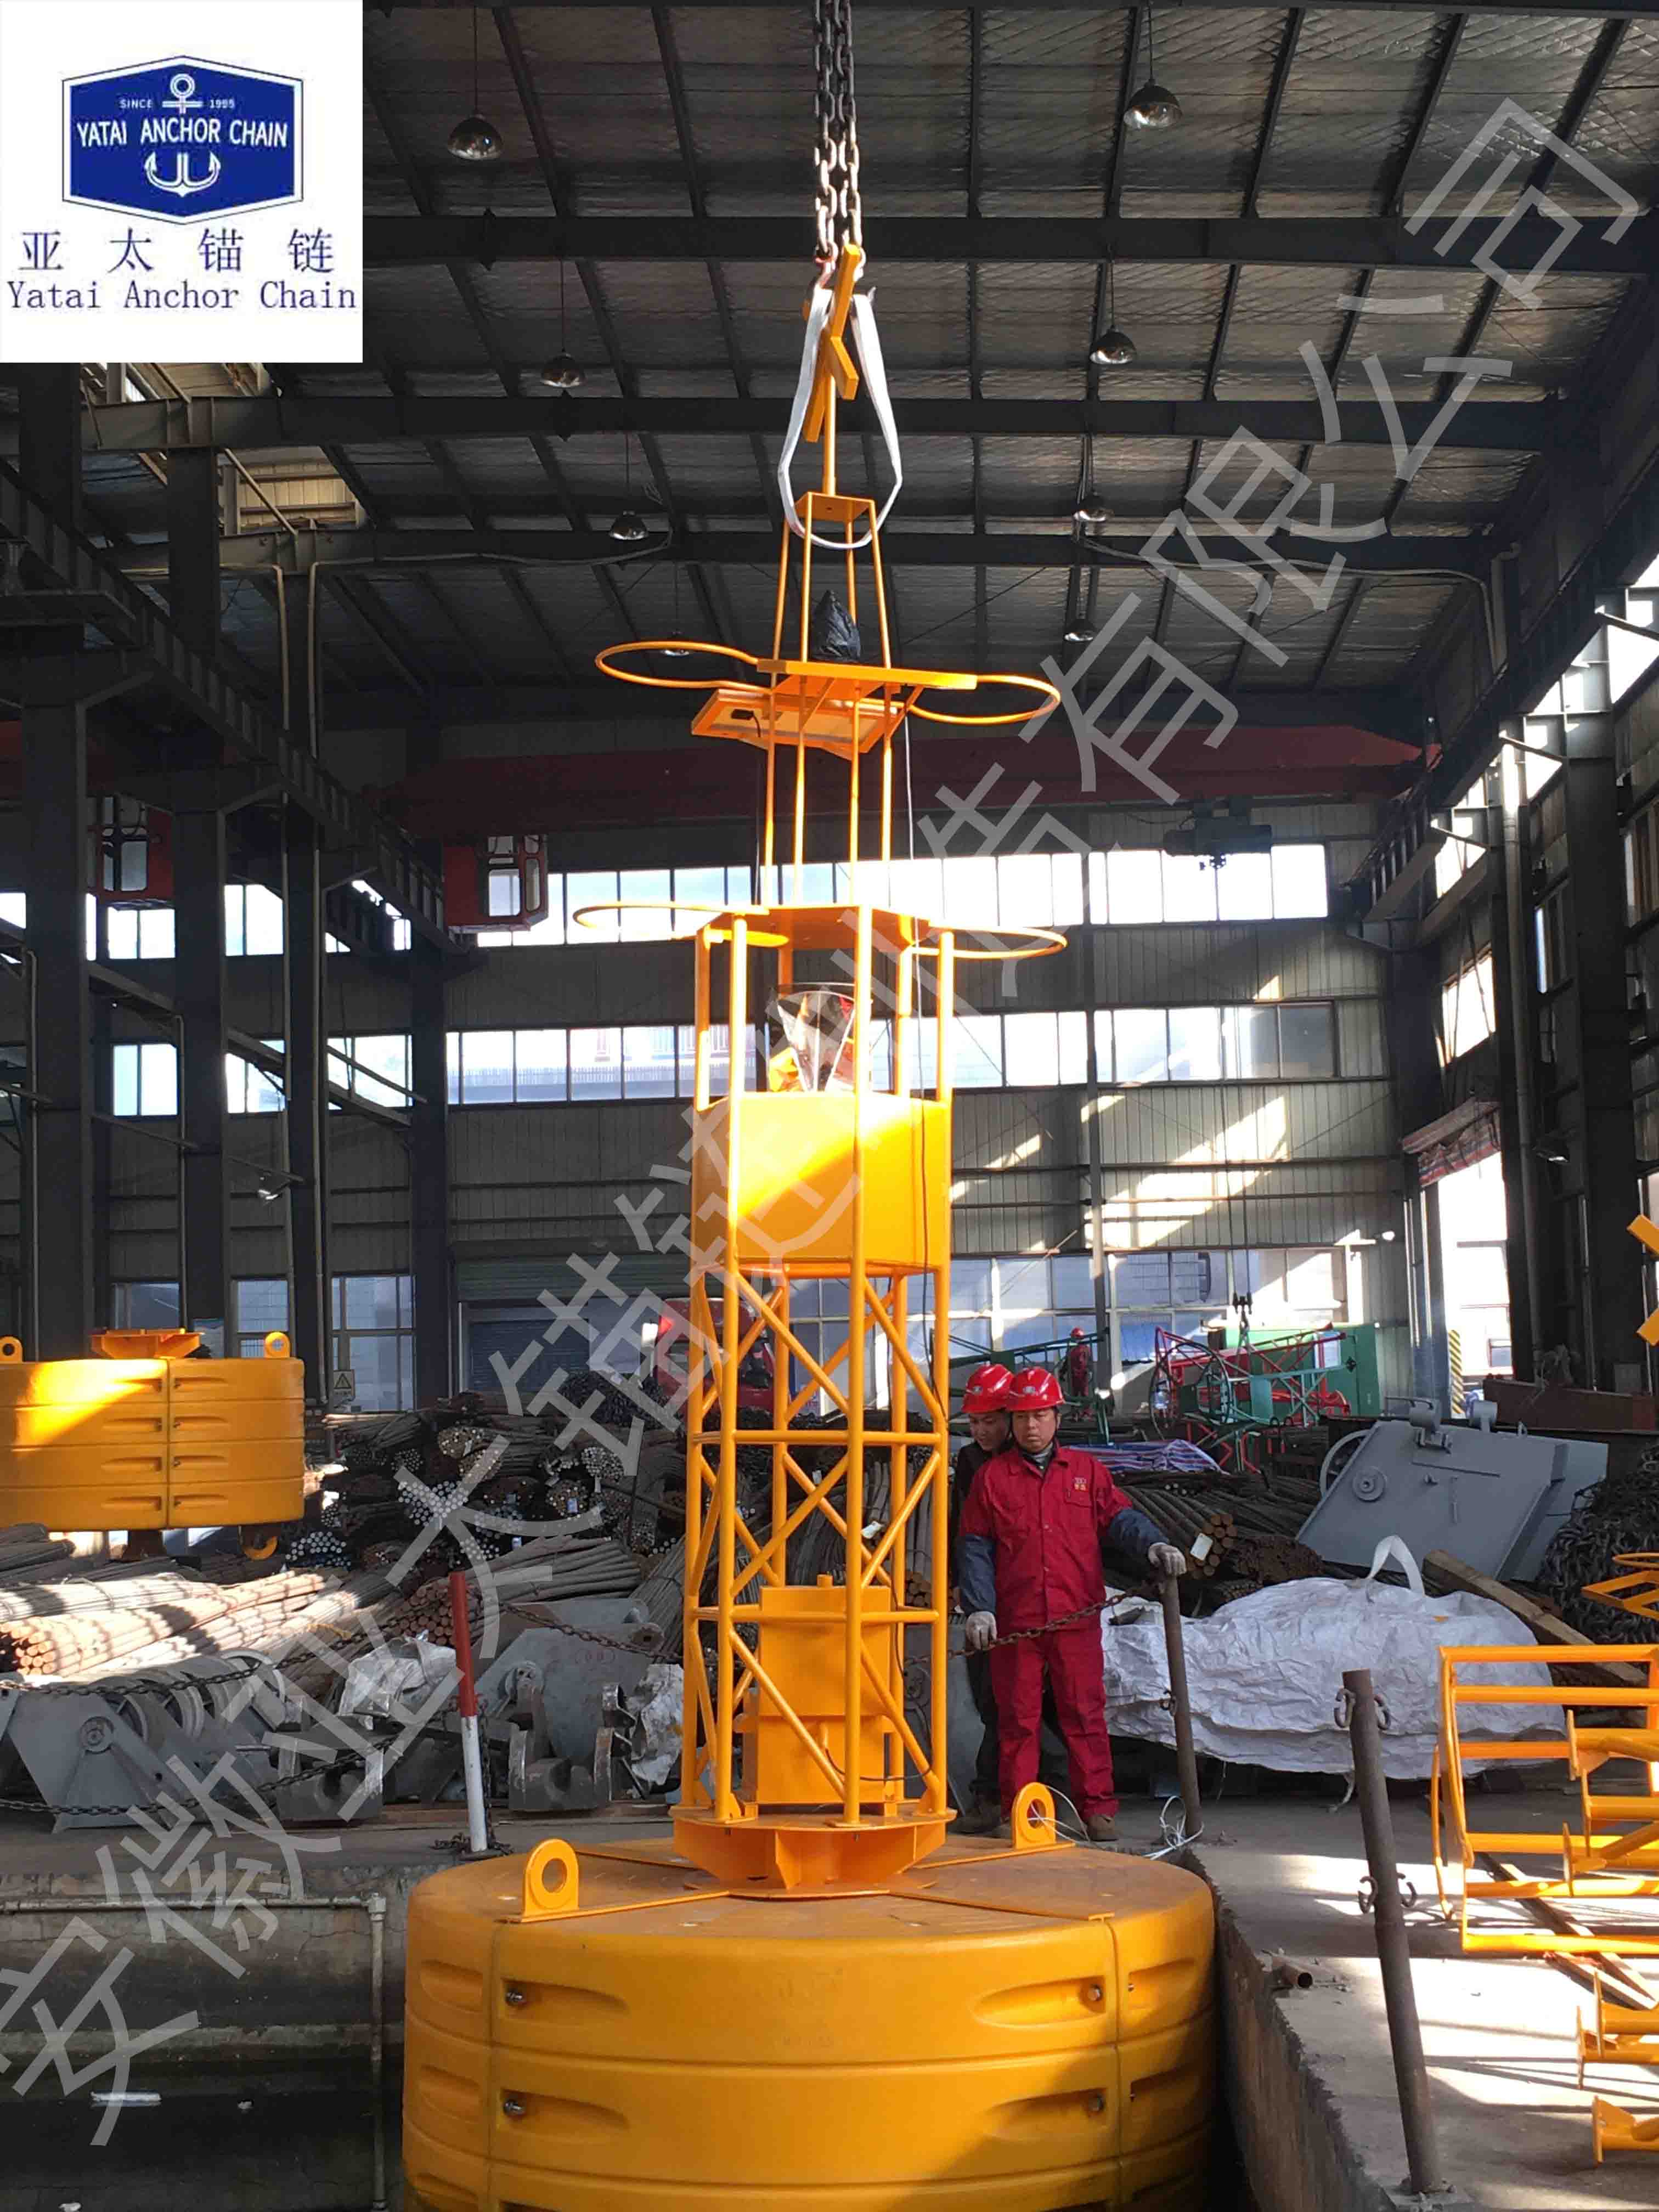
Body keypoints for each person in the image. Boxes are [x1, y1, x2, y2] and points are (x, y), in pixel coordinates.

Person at [958, 1366, 1185, 1843]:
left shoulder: (1087, 1473)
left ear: (1057, 1418)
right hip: (1016, 1624)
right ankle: (1020, 1813)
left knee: (1084, 1716)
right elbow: (975, 1546)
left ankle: (1097, 1810)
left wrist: (1154, 1544)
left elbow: (1119, 1519)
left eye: (1040, 1415)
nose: (1031, 1426)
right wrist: (981, 1607)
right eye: (1022, 1417)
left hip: (1074, 1617)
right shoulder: (991, 1479)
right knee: (1017, 1722)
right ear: (1012, 1421)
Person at [949, 1363, 1066, 1832]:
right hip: (988, 1599)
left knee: (1032, 1705)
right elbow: (964, 1534)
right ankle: (999, 1795)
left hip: (1034, 1596)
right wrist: (967, 1591)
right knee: (995, 1701)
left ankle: (1034, 1792)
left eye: (991, 1421)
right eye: (974, 1422)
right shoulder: (971, 1464)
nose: (982, 1431)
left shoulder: (1037, 1465)